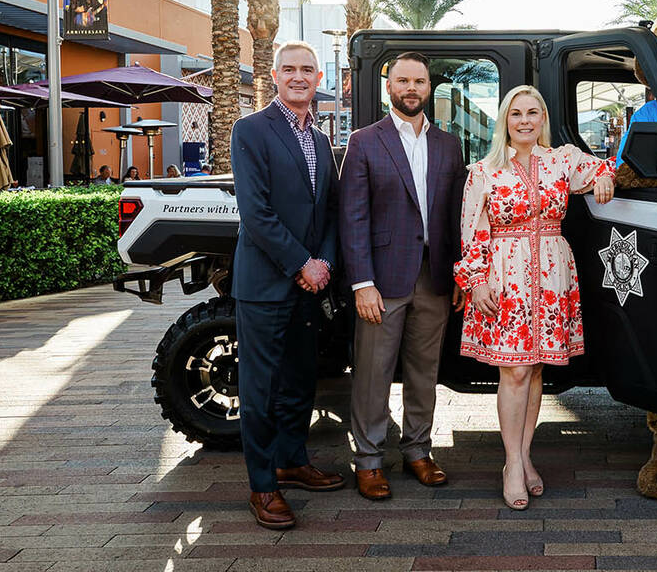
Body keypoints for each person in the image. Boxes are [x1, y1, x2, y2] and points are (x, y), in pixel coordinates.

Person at [454, 85, 615, 510]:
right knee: (515, 372)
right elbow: (472, 230)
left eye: (532, 113)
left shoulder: (562, 159)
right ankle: (511, 464)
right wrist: (477, 281)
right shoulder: (484, 170)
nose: (524, 120)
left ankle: (524, 458)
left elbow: (607, 167)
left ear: (542, 118)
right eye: (516, 113)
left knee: (537, 370)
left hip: (551, 273)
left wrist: (602, 179)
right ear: (504, 120)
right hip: (504, 275)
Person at [339, 52, 468, 501]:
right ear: (388, 86)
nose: (411, 88)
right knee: (373, 373)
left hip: (435, 277)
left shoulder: (450, 145)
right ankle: (369, 460)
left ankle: (418, 451)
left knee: (423, 372)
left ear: (429, 87)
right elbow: (352, 217)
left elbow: (455, 215)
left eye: (419, 81)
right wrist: (362, 283)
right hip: (381, 282)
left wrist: (459, 275)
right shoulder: (364, 142)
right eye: (402, 80)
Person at [230, 41, 344, 530]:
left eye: (308, 70)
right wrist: (301, 262)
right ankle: (263, 486)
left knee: (300, 379)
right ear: (274, 76)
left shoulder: (319, 140)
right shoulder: (250, 130)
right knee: (260, 389)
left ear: (318, 78)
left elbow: (331, 212)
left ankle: (291, 461)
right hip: (264, 284)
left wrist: (325, 265)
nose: (299, 77)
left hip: (308, 286)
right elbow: (256, 213)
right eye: (290, 69)